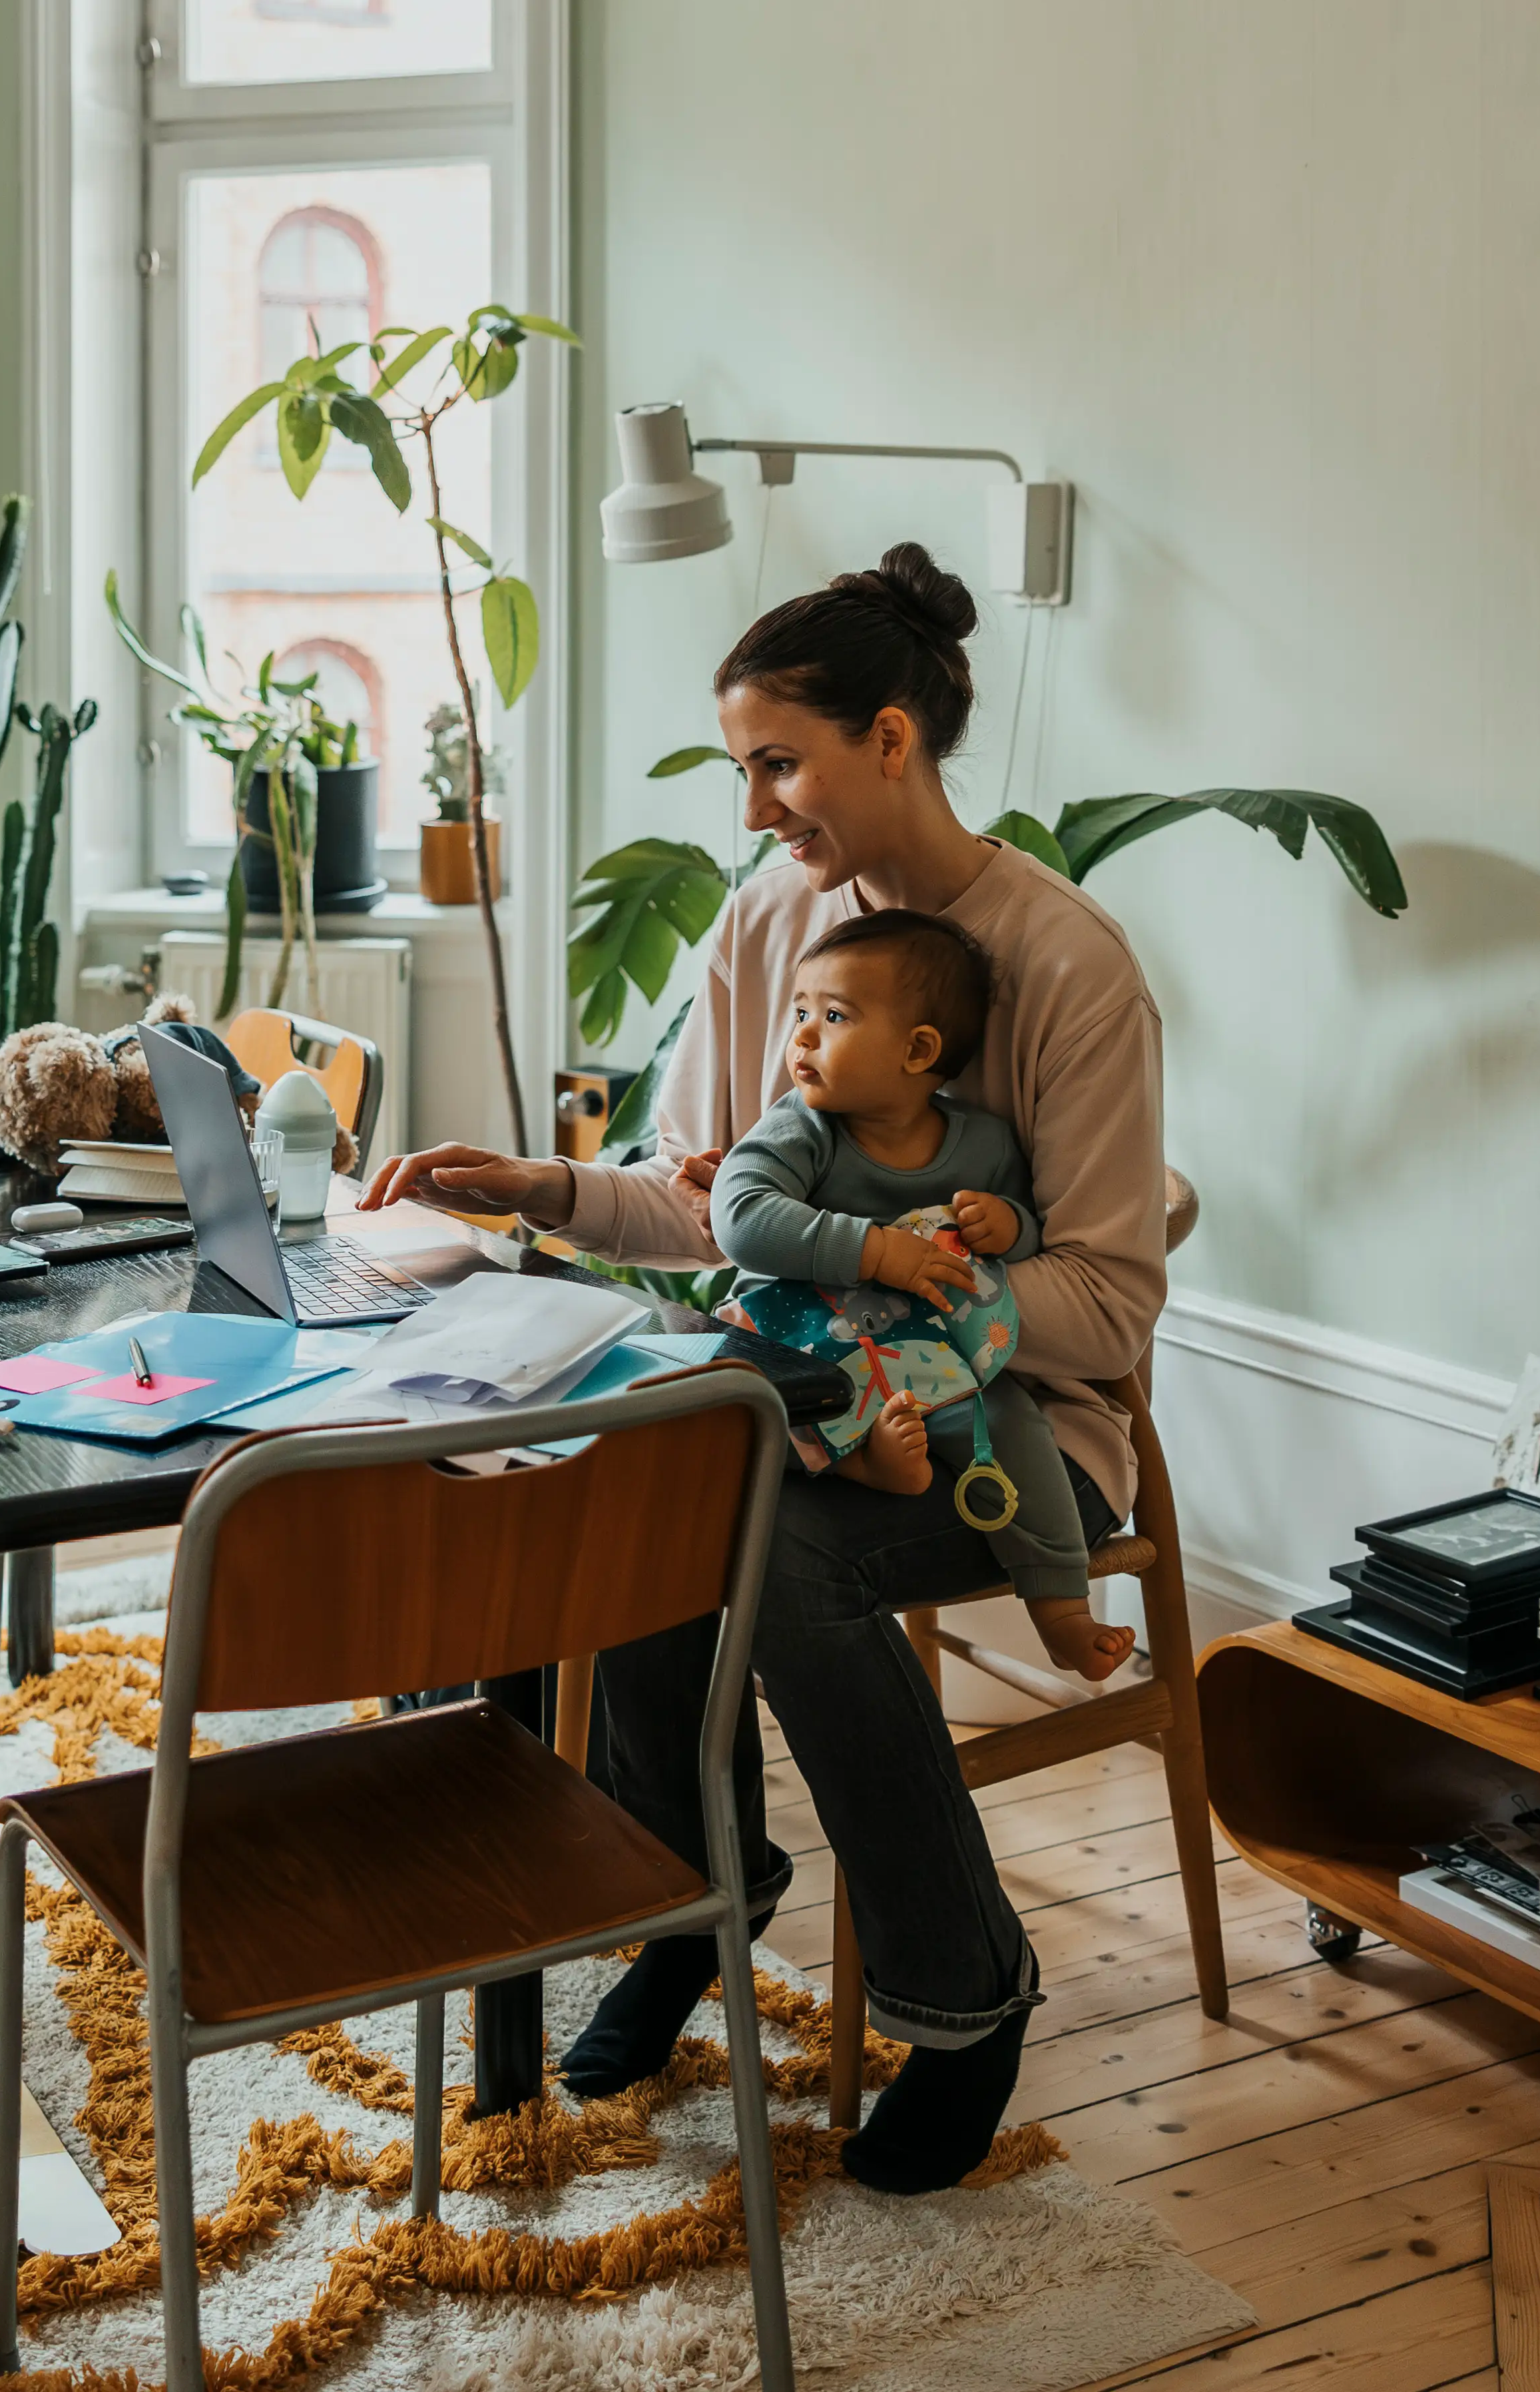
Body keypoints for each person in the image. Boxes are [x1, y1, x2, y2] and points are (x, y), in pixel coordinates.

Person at [363, 541, 1168, 2193]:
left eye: (777, 765)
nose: (755, 810)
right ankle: (689, 1898)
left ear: (892, 737)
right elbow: (714, 1197)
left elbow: (1112, 1300)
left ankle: (965, 1991)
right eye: (744, 769)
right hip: (805, 1398)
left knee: (769, 1546)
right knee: (646, 1479)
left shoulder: (1070, 966)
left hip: (1022, 1432)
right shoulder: (768, 924)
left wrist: (930, 1274)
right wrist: (547, 1189)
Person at [706, 906, 1133, 1681]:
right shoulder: (803, 1129)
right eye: (799, 1011)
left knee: (1016, 1428)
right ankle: (864, 1466)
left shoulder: (985, 1143)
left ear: (919, 1050)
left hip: (938, 1369)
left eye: (832, 1016)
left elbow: (1028, 1241)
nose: (800, 1034)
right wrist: (872, 1250)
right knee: (744, 1435)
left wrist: (1008, 1225)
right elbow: (739, 1217)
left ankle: (1062, 1607)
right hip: (808, 1353)